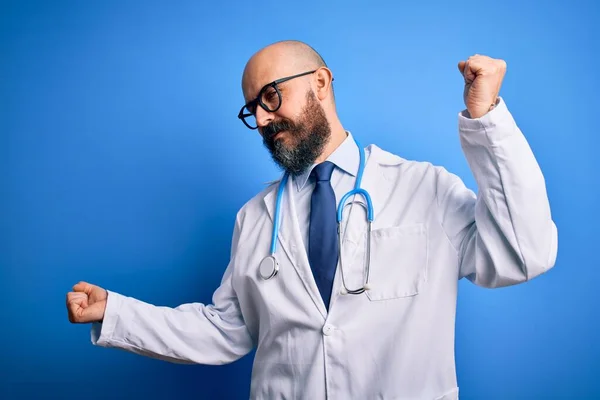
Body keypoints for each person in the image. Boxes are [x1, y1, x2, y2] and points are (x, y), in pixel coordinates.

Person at [66, 40, 558, 399]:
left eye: (271, 96)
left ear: (320, 83)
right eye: (252, 108)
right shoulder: (255, 219)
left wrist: (485, 117)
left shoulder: (422, 188)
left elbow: (522, 254)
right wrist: (115, 312)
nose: (261, 119)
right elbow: (225, 329)